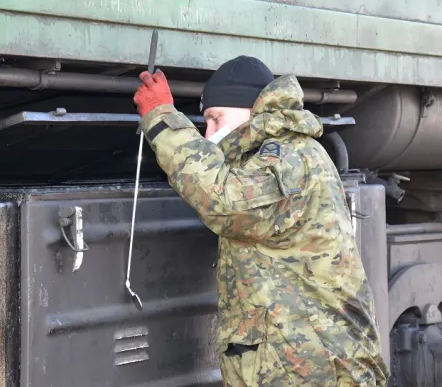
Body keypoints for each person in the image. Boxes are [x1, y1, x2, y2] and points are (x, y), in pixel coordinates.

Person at [133, 56, 389, 386]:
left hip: (314, 370)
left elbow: (224, 202)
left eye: (215, 118)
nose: (209, 132)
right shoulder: (284, 152)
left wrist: (162, 118)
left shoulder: (290, 157)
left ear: (252, 109)